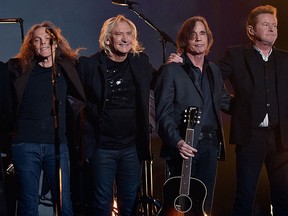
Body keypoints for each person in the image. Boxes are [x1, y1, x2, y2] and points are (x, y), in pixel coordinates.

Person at [1, 21, 86, 215]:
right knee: (28, 201)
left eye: (47, 39)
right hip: (25, 144)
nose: (42, 44)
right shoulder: (18, 68)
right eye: (37, 40)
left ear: (56, 42)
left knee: (64, 202)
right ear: (31, 45)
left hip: (57, 145)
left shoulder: (69, 68)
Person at [76, 15, 154, 215]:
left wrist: (173, 64)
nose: (125, 39)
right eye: (119, 34)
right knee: (102, 204)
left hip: (131, 148)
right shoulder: (90, 65)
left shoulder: (140, 62)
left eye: (129, 34)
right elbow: (72, 95)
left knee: (129, 203)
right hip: (102, 148)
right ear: (108, 38)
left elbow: (159, 81)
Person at [154, 16, 231, 215]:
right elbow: (163, 114)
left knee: (203, 206)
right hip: (183, 145)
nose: (198, 38)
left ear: (208, 38)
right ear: (184, 40)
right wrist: (177, 141)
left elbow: (224, 101)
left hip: (210, 146)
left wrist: (259, 106)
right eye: (192, 34)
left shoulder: (214, 69)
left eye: (202, 33)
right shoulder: (171, 70)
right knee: (179, 206)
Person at [217, 5, 288, 216]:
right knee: (245, 196)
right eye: (266, 25)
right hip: (250, 137)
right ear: (251, 30)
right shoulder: (237, 55)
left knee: (283, 197)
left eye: (274, 25)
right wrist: (235, 108)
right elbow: (210, 79)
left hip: (282, 139)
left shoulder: (286, 59)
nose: (272, 29)